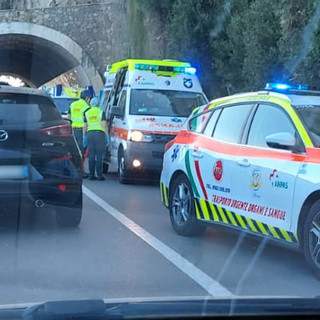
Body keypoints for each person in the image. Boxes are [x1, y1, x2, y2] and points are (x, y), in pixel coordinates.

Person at [67, 89, 92, 178]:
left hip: (73, 129)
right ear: (87, 98)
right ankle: (81, 170)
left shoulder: (73, 104)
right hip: (82, 130)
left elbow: (68, 117)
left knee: (74, 149)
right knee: (82, 151)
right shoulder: (87, 107)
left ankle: (73, 169)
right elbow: (87, 121)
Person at [83, 97, 108, 180]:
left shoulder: (87, 112)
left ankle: (91, 174)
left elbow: (85, 126)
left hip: (90, 134)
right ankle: (99, 175)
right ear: (98, 104)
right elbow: (104, 124)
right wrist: (107, 136)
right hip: (99, 135)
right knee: (99, 155)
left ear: (91, 104)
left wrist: (84, 136)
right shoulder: (101, 112)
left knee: (91, 155)